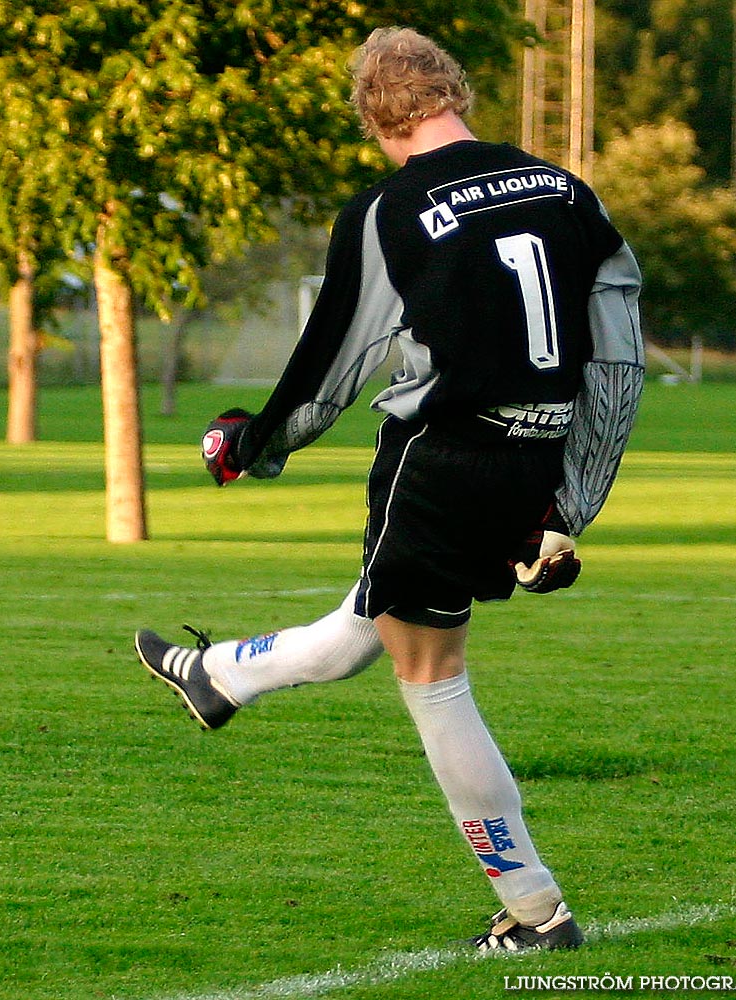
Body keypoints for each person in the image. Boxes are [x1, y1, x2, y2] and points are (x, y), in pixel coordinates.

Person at [135, 26, 643, 952]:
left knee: (432, 678)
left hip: (439, 460)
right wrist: (568, 506)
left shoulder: (389, 210)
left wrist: (252, 442)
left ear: (373, 117)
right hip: (533, 455)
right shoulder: (568, 191)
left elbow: (337, 359)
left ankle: (536, 913)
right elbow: (617, 359)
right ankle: (213, 678)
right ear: (457, 92)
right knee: (370, 622)